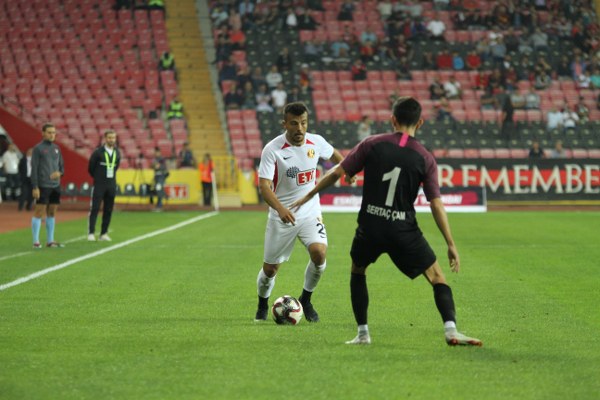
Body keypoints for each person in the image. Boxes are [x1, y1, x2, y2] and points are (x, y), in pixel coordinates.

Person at [291, 97, 482, 346]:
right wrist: (450, 243)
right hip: (404, 228)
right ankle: (451, 330)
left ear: (393, 120)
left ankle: (362, 334)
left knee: (358, 270)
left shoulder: (372, 144)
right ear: (420, 123)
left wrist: (308, 194)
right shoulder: (425, 157)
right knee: (437, 276)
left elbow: (337, 171)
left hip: (370, 225)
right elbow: (436, 203)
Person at [254, 102, 345, 323]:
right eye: (294, 123)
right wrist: (280, 208)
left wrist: (347, 169)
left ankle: (306, 299)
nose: (300, 129)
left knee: (319, 253)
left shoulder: (316, 141)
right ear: (284, 124)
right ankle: (262, 304)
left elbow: (336, 156)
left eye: (303, 123)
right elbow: (264, 186)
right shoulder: (272, 149)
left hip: (310, 211)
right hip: (281, 216)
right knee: (270, 269)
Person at [31, 123, 65, 248]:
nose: (52, 135)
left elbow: (62, 167)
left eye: (54, 132)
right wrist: (35, 186)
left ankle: (50, 241)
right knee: (39, 212)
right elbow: (34, 168)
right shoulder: (38, 149)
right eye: (49, 132)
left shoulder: (57, 148)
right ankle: (36, 241)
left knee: (52, 212)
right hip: (43, 186)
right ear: (43, 133)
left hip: (55, 186)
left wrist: (59, 173)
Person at [87, 130, 121, 242]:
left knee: (108, 209)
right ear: (105, 139)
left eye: (113, 138)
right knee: (95, 208)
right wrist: (98, 177)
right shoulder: (98, 152)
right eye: (109, 138)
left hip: (111, 184)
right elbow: (91, 168)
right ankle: (91, 232)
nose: (112, 140)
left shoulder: (117, 152)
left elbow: (116, 167)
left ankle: (103, 233)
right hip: (99, 185)